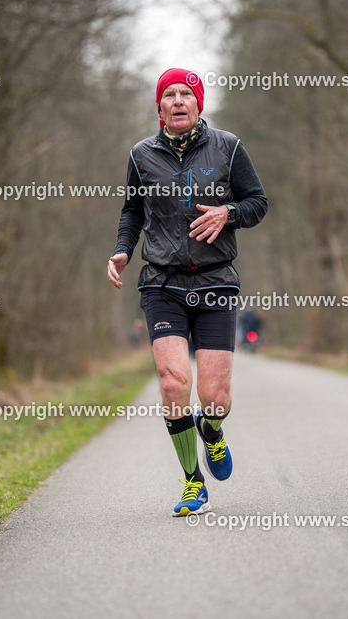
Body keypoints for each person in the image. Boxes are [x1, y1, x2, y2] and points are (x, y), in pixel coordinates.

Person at [108, 67, 267, 516]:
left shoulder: (229, 147)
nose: (178, 101)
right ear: (159, 109)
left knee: (214, 397)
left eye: (186, 94)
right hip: (162, 283)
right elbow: (131, 213)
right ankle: (193, 481)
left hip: (216, 281)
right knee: (173, 382)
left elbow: (258, 203)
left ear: (199, 104)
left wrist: (228, 213)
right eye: (169, 95)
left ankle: (211, 432)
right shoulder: (141, 156)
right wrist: (122, 251)